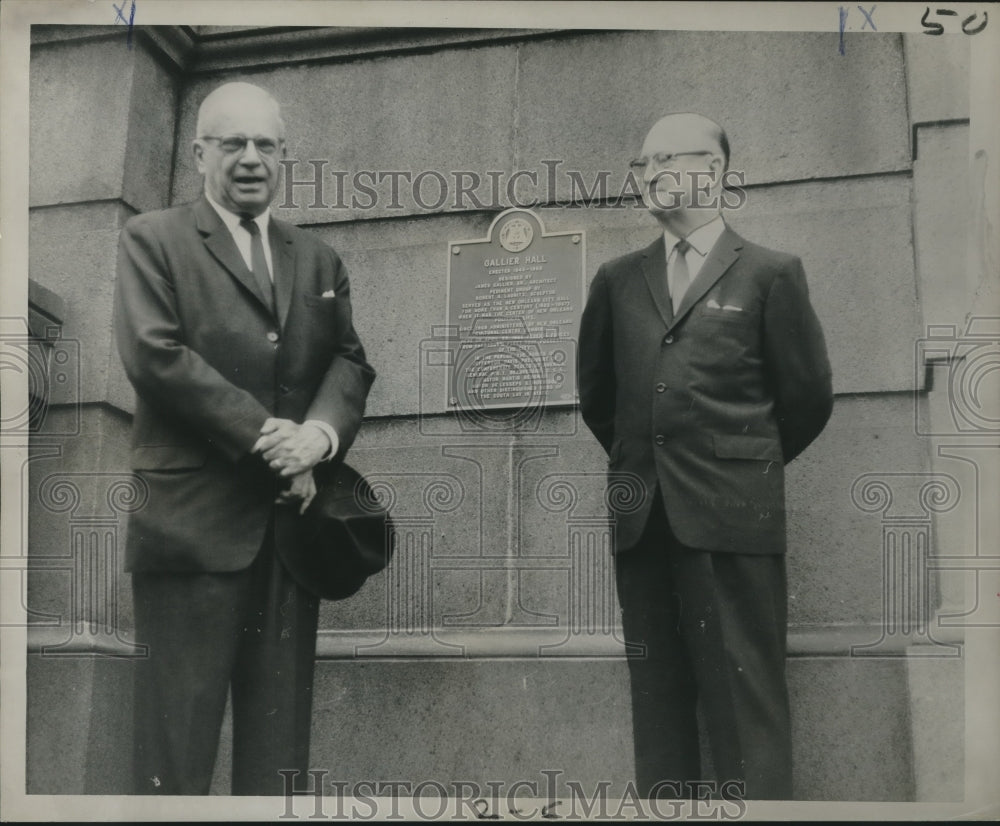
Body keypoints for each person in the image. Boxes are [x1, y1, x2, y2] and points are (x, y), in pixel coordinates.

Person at [113, 81, 375, 795]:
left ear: (284, 154)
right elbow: (155, 355)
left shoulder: (317, 260)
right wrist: (271, 439)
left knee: (279, 759)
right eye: (233, 143)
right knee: (175, 750)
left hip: (291, 537)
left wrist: (318, 438)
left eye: (265, 144)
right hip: (191, 533)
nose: (251, 158)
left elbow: (349, 360)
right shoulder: (153, 240)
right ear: (200, 154)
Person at [577, 113, 833, 800]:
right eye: (642, 163)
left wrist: (736, 468)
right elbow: (599, 400)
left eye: (667, 159)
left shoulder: (770, 274)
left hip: (733, 523)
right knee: (658, 709)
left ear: (715, 171)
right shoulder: (616, 280)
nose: (650, 174)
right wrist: (651, 469)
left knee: (746, 711)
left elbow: (806, 401)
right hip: (644, 525)